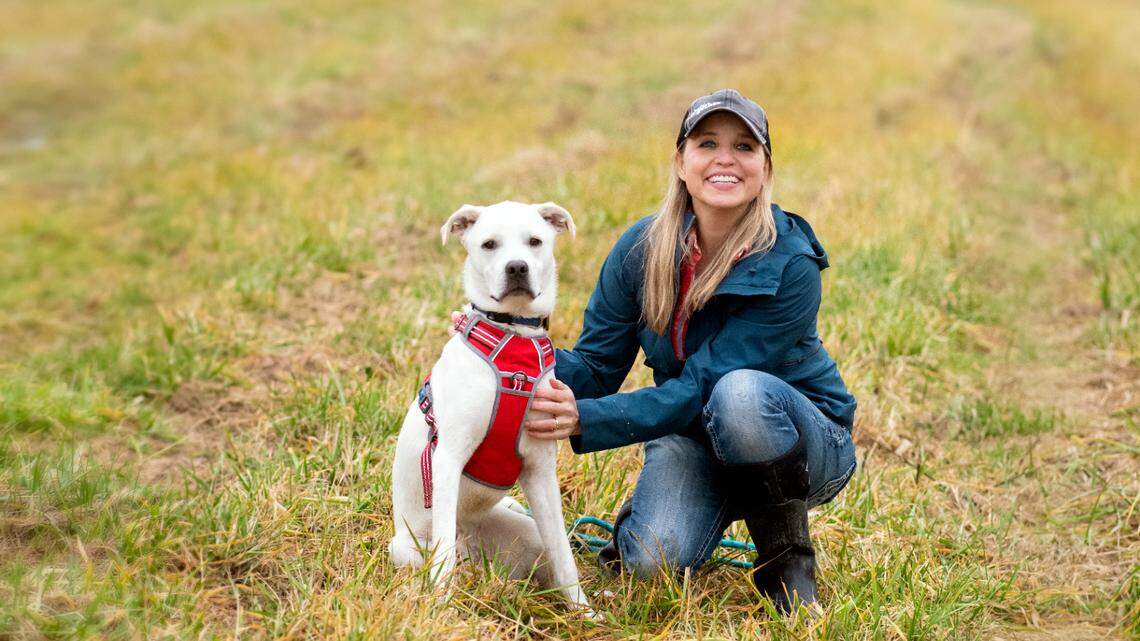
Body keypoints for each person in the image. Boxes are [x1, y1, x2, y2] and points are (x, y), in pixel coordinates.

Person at [514, 89, 857, 614]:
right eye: (707, 143)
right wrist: (506, 352)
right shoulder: (640, 249)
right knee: (652, 563)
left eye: (745, 146)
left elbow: (704, 386)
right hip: (694, 434)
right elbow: (598, 364)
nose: (725, 158)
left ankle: (786, 563)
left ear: (765, 168)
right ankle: (666, 512)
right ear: (681, 162)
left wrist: (584, 419)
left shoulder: (791, 264)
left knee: (737, 393)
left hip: (803, 443)